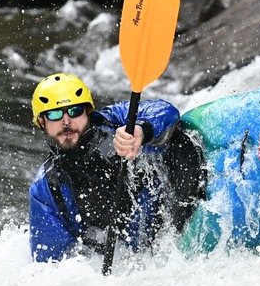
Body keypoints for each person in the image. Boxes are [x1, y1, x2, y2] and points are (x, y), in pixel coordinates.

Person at [28, 71, 205, 262]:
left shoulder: (115, 119)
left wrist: (140, 130)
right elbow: (48, 263)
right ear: (41, 121)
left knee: (179, 141)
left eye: (74, 111)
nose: (66, 121)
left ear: (88, 112)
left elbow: (165, 110)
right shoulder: (45, 188)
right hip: (133, 260)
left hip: (172, 216)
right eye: (54, 114)